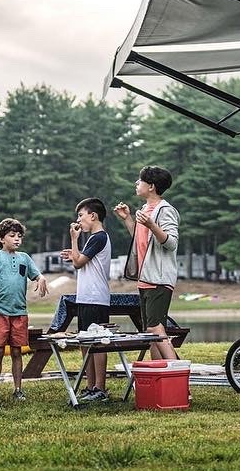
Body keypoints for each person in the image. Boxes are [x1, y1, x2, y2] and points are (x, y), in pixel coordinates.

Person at [113, 165, 179, 360]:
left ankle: (177, 373)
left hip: (159, 278)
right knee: (151, 333)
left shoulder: (165, 210)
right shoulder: (144, 209)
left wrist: (151, 224)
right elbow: (141, 240)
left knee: (155, 328)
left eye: (140, 180)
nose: (136, 183)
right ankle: (158, 374)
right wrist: (127, 219)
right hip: (145, 278)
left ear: (151, 186)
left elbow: (171, 243)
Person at [0, 218, 46, 402]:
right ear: (2, 238)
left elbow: (36, 274)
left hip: (19, 312)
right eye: (12, 235)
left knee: (17, 352)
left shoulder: (24, 257)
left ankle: (18, 389)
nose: (17, 239)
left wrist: (41, 278)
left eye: (19, 236)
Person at [64, 198, 112, 403]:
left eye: (81, 215)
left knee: (98, 343)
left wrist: (74, 240)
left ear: (93, 216)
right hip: (86, 297)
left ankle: (100, 388)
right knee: (85, 342)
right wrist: (74, 254)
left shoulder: (99, 237)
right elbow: (80, 260)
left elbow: (78, 264)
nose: (78, 220)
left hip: (95, 298)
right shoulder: (93, 238)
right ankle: (90, 386)